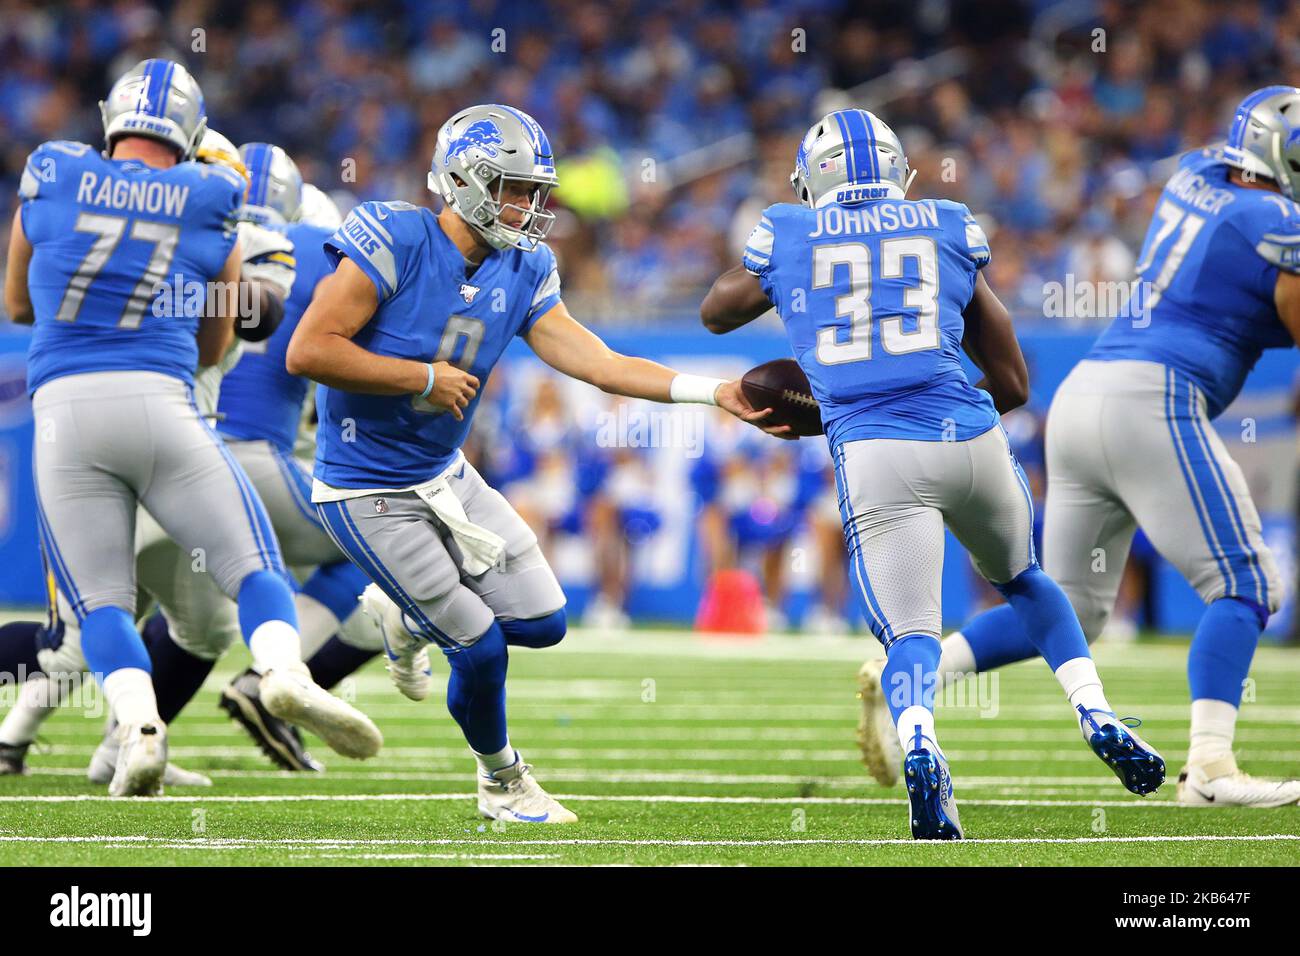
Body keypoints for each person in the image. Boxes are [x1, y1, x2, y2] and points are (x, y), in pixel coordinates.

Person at [286, 103, 762, 823]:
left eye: (533, 191)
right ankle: (502, 782)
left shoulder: (525, 263)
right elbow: (310, 349)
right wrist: (419, 378)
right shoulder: (394, 237)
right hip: (365, 485)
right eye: (513, 188)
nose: (529, 206)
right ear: (465, 179)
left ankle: (404, 618)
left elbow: (597, 363)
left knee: (543, 623)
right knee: (478, 648)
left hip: (445, 474)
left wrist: (713, 392)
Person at [699, 108, 1164, 839]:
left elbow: (716, 312)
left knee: (912, 635)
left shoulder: (787, 229)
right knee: (1030, 583)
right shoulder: (944, 219)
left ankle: (919, 738)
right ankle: (1095, 710)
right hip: (969, 433)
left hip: (875, 452)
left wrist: (782, 273)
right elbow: (1010, 376)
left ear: (809, 181)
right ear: (894, 170)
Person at [888, 86, 1300, 808]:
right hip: (1153, 398)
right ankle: (1208, 767)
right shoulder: (1273, 222)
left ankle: (913, 675)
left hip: (1084, 397)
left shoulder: (1196, 178)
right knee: (1247, 583)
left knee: (1071, 608)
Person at [1, 59, 379, 796]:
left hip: (62, 417)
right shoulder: (212, 196)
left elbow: (16, 304)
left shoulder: (52, 169)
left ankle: (137, 731)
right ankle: (281, 672)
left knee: (97, 616)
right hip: (166, 406)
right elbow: (219, 337)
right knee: (254, 570)